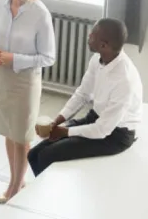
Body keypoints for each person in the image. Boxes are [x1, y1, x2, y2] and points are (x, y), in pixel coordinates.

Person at [28, 18, 142, 176]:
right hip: (96, 118)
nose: (89, 36)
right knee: (33, 155)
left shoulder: (124, 80)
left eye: (93, 35)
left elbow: (102, 130)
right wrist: (57, 122)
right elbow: (82, 94)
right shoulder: (98, 59)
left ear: (104, 45)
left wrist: (64, 132)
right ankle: (40, 191)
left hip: (116, 135)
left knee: (47, 155)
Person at [0, 0, 56, 202]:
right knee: (8, 131)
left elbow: (48, 57)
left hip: (24, 85)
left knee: (22, 135)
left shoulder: (40, 13)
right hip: (0, 80)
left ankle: (15, 187)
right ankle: (16, 182)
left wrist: (14, 59)